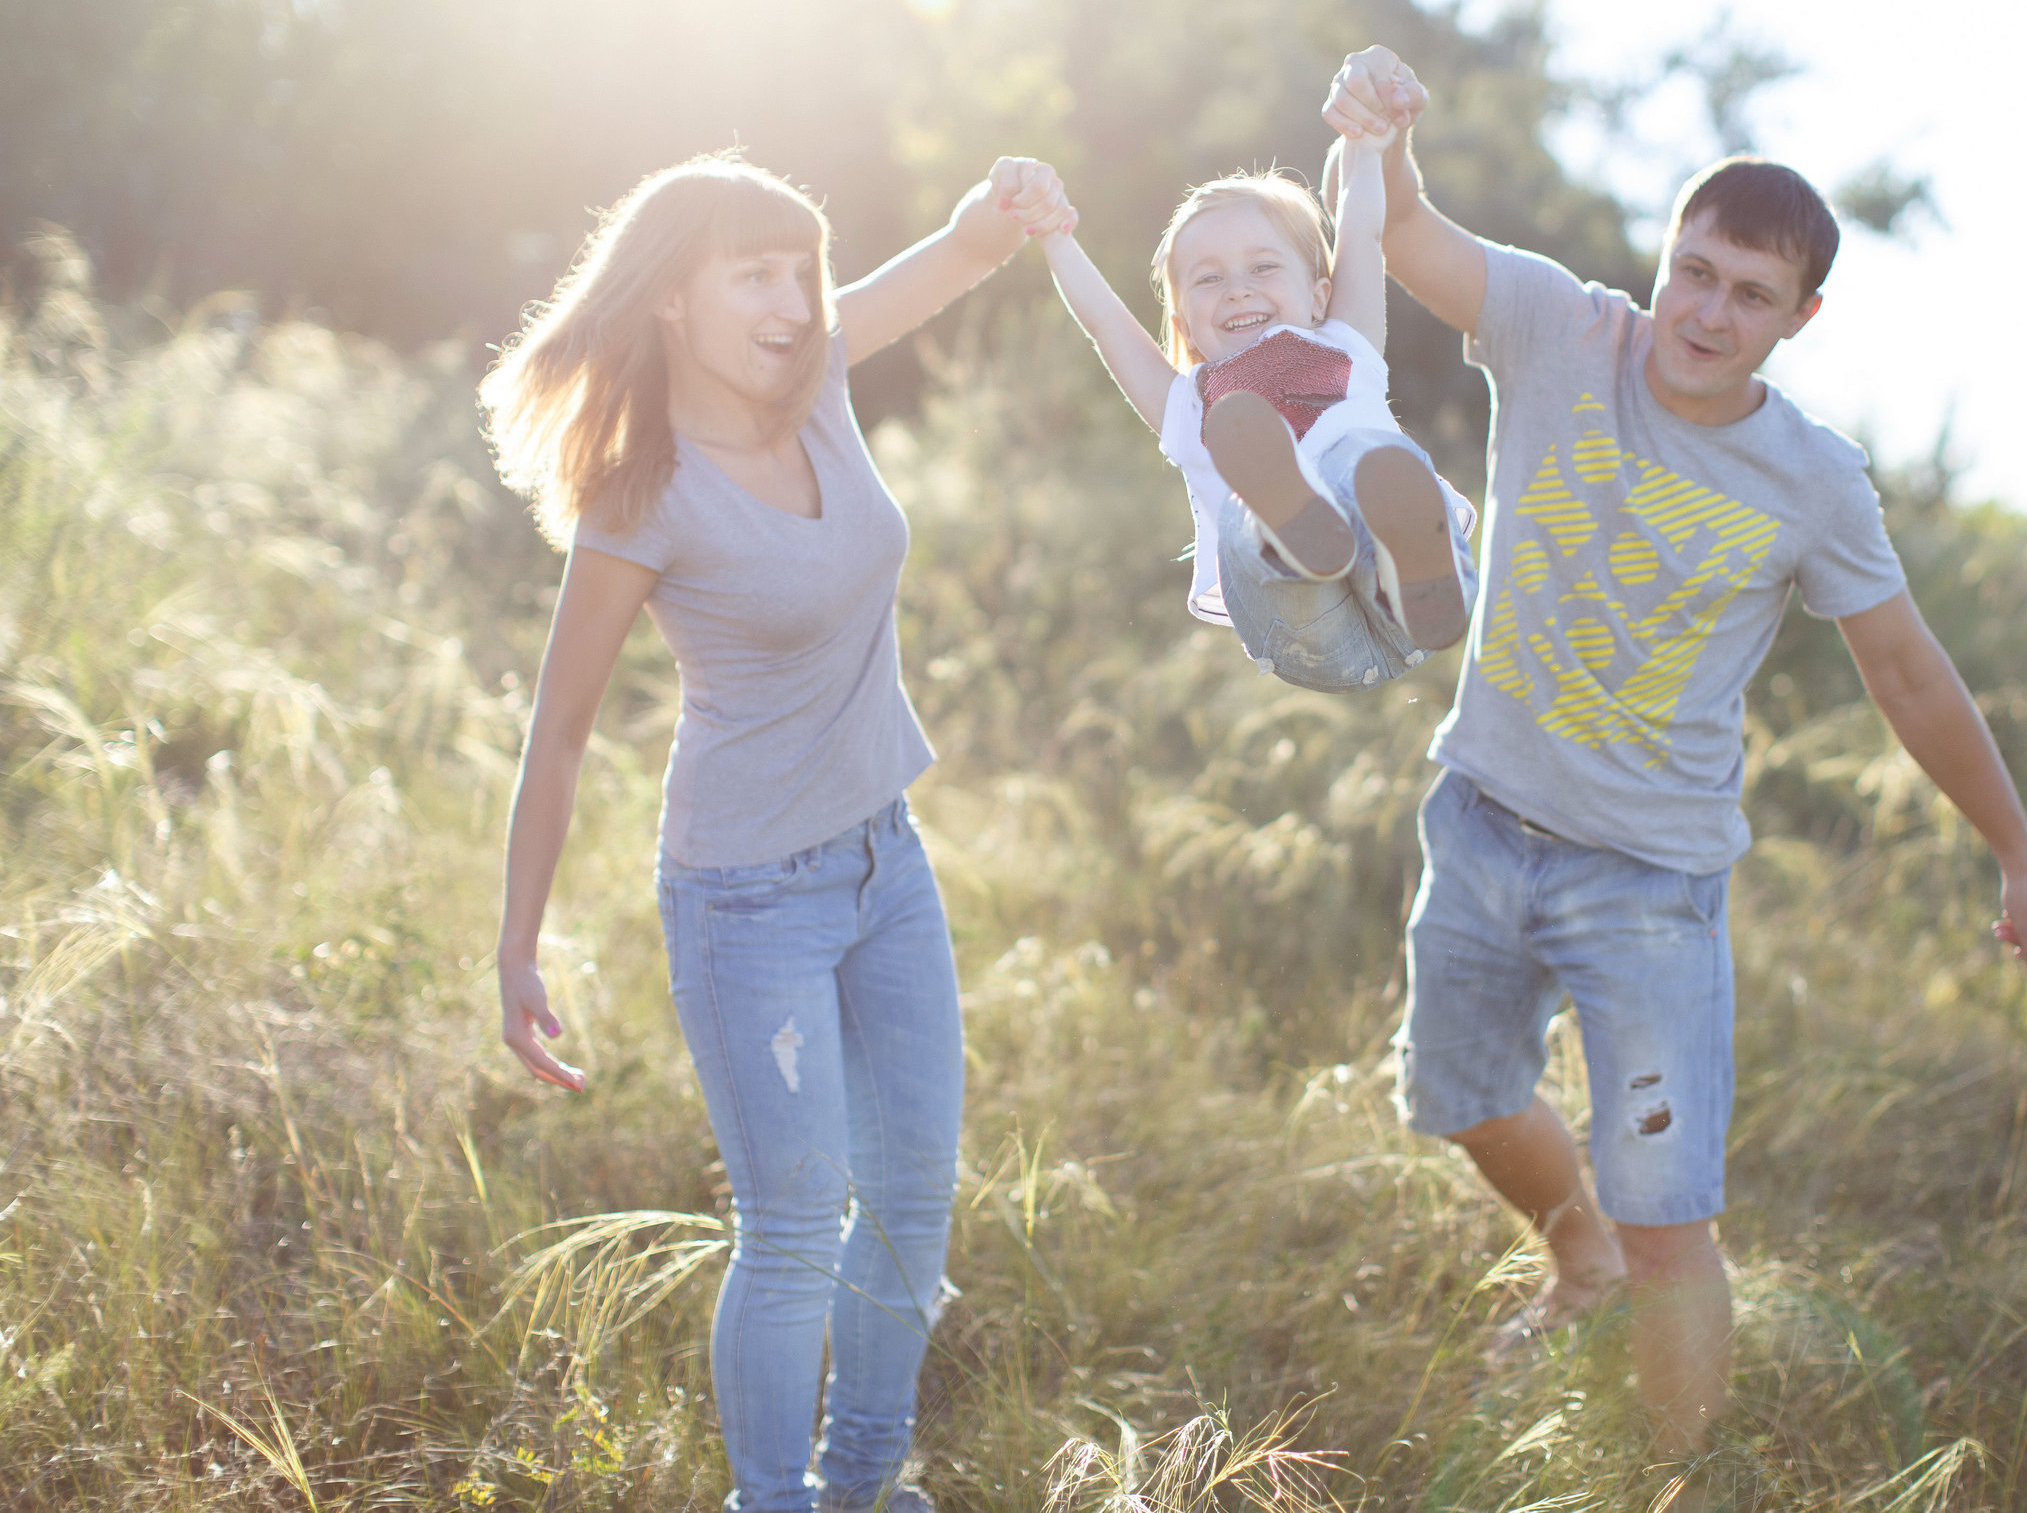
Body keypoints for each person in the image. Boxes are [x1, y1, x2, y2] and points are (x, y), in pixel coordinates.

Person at [1321, 47, 2027, 1453]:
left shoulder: (1812, 481)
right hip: (1481, 816)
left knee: (1676, 1227)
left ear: (1801, 316)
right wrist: (1382, 139)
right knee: (1462, 1097)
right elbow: (1400, 233)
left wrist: (2019, 852)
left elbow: (1908, 674)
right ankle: (1575, 1256)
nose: (1708, 313)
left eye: (1749, 294)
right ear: (1665, 260)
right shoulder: (1560, 328)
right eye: (1696, 272)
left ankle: (1679, 1478)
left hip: (1649, 885)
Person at [480, 152, 1070, 1513]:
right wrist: (517, 945)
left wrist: (1001, 212)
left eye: (800, 267)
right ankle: (774, 1501)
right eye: (755, 271)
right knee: (797, 1228)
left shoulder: (820, 380)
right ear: (673, 295)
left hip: (884, 858)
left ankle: (860, 1486)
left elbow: (952, 262)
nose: (793, 298)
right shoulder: (643, 494)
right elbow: (558, 729)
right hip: (750, 896)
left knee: (915, 1204)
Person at [1002, 115, 1477, 691]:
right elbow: (1105, 323)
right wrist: (1053, 235)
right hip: (1306, 635)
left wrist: (1367, 145)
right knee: (1243, 515)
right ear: (1185, 325)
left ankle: (1407, 566)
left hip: (1416, 615)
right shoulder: (1185, 404)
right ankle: (1290, 532)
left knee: (1361, 452)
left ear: (1318, 292)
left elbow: (1361, 230)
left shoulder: (1344, 339)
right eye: (1209, 279)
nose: (1238, 289)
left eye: (1263, 267)